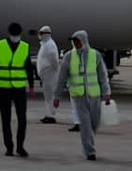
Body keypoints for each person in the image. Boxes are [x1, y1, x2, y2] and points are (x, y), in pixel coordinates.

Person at [55, 30, 111, 161]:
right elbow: (61, 78)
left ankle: (89, 140)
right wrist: (57, 96)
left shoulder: (95, 55)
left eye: (77, 41)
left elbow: (103, 76)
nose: (75, 44)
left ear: (84, 41)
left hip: (94, 95)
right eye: (74, 41)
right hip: (79, 95)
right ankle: (90, 151)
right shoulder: (69, 56)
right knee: (85, 124)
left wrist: (106, 92)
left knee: (94, 123)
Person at [0, 22, 35, 157]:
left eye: (17, 34)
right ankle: (9, 147)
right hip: (3, 88)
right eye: (14, 34)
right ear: (10, 34)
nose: (15, 37)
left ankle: (20, 146)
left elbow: (29, 68)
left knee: (22, 118)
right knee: (6, 119)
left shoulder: (25, 47)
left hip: (19, 88)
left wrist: (31, 86)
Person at [36, 26, 60, 124]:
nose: (39, 35)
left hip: (49, 72)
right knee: (47, 95)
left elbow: (54, 59)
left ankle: (51, 116)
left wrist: (56, 70)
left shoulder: (49, 44)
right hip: (46, 73)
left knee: (50, 95)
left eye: (41, 33)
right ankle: (48, 114)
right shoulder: (45, 44)